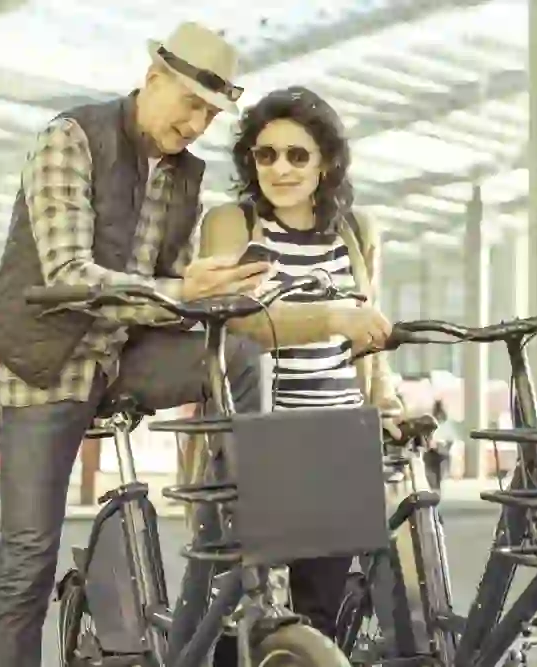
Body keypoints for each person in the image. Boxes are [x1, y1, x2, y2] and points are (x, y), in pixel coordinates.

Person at [0, 22, 279, 667]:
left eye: (210, 113)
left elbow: (167, 289)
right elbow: (67, 275)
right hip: (45, 365)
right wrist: (178, 291)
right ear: (152, 80)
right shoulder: (71, 139)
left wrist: (208, 291)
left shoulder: (185, 175)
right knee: (27, 556)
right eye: (191, 104)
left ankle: (237, 523)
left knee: (243, 353)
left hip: (123, 356)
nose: (198, 124)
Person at [197, 85, 408, 653]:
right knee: (236, 615)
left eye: (297, 155)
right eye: (266, 155)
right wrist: (333, 316)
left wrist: (387, 408)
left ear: (326, 163)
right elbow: (246, 321)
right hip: (254, 444)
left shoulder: (357, 232)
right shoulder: (232, 224)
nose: (280, 169)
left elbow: (370, 336)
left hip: (337, 440)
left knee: (323, 615)